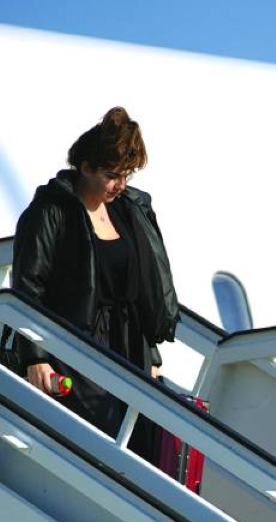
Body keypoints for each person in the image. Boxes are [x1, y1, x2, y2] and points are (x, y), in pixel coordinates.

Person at [12, 107, 179, 451]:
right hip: (78, 339)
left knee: (142, 442)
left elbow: (142, 291)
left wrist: (153, 358)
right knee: (102, 437)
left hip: (129, 341)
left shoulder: (129, 210)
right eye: (112, 174)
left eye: (126, 175)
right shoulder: (51, 211)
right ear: (85, 167)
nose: (121, 184)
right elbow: (28, 287)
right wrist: (35, 356)